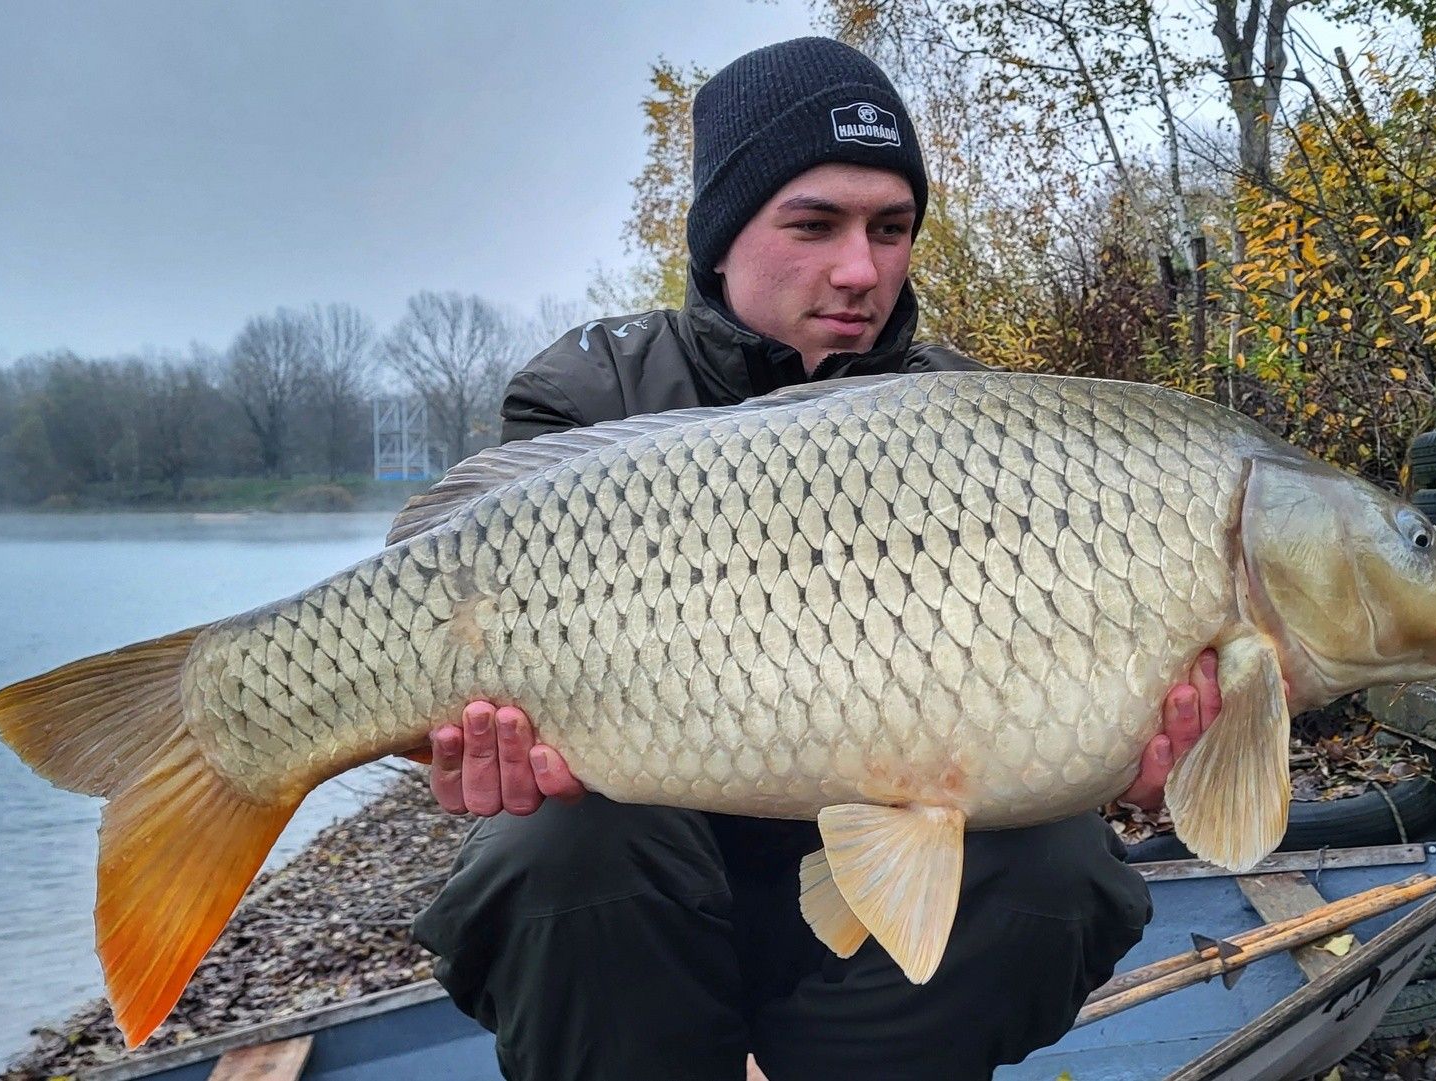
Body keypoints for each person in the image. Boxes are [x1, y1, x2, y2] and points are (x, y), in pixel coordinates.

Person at [409, 36, 1222, 1081]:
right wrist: (469, 746)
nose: (860, 269)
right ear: (721, 237)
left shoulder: (976, 422)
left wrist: (1132, 758)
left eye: (892, 229)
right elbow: (472, 688)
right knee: (554, 849)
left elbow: (1038, 685)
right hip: (650, 885)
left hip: (872, 888)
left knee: (1060, 863)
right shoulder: (590, 398)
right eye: (815, 224)